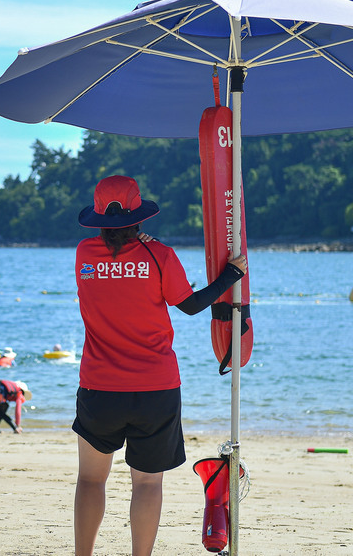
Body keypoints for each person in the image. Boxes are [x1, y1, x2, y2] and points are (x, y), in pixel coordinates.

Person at [71, 175, 248, 556]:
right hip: (155, 388)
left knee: (90, 480)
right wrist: (231, 276)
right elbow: (190, 305)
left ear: (98, 216)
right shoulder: (159, 254)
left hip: (100, 386)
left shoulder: (84, 254)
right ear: (138, 216)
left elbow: (114, 267)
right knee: (148, 484)